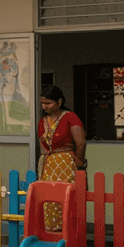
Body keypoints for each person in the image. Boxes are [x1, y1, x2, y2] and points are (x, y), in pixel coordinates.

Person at [37, 85, 87, 232]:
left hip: (66, 164)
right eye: (42, 103)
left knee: (66, 198)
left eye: (48, 103)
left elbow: (81, 144)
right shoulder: (42, 121)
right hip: (49, 164)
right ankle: (52, 232)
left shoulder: (70, 117)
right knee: (50, 198)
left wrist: (78, 163)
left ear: (59, 102)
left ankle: (68, 232)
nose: (44, 106)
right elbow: (43, 146)